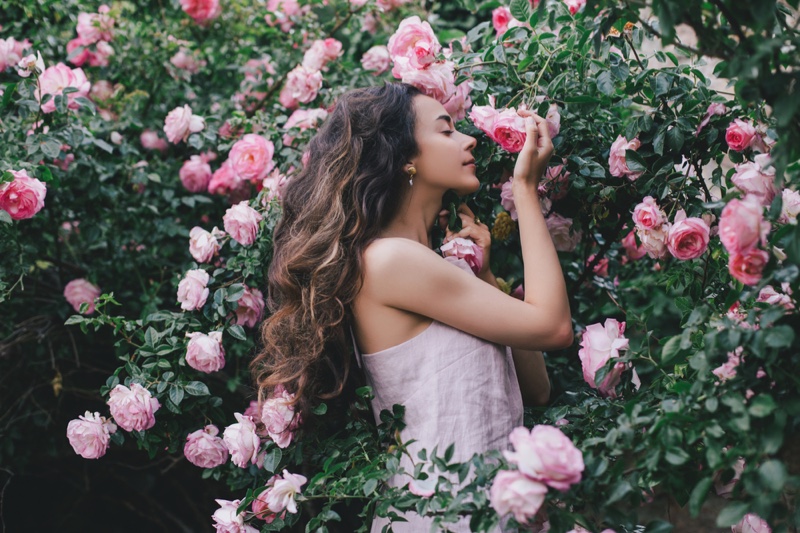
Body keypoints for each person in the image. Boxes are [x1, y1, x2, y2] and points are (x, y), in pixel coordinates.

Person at [252, 83, 573, 531]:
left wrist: (483, 275)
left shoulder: (431, 267)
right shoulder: (390, 261)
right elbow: (555, 327)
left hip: (479, 509)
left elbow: (536, 389)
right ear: (404, 156)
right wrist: (524, 189)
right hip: (446, 515)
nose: (469, 140)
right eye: (446, 132)